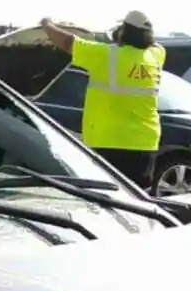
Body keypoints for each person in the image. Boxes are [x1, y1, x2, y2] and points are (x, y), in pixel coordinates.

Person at [36, 11, 165, 187]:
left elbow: (68, 43)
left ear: (124, 32)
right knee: (139, 197)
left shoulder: (105, 55)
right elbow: (151, 45)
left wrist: (47, 24)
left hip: (109, 142)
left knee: (108, 198)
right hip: (146, 143)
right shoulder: (157, 56)